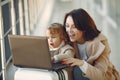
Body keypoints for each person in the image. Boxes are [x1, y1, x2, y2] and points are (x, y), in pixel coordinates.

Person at [62, 8, 120, 80]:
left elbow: (100, 75)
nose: (69, 30)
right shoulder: (67, 40)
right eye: (67, 26)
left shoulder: (100, 42)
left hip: (105, 78)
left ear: (84, 27)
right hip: (81, 77)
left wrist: (82, 63)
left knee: (77, 70)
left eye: (74, 27)